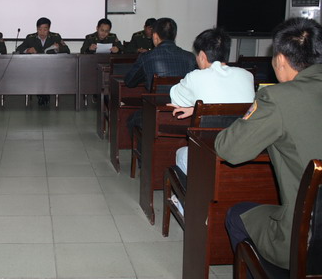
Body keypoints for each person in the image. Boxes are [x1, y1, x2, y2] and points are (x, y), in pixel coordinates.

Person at [215, 17, 322, 270]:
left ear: (281, 59)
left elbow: (229, 149)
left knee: (237, 214)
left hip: (307, 239)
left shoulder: (277, 97)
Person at [168, 28, 255, 175]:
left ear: (202, 56)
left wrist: (196, 107)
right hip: (243, 150)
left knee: (181, 153)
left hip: (209, 153)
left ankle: (191, 190)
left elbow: (175, 98)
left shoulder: (195, 77)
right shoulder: (247, 75)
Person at [124, 17, 196, 131]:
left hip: (155, 115)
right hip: (185, 115)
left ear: (155, 36)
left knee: (131, 120)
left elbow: (129, 82)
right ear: (174, 35)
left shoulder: (147, 57)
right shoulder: (190, 57)